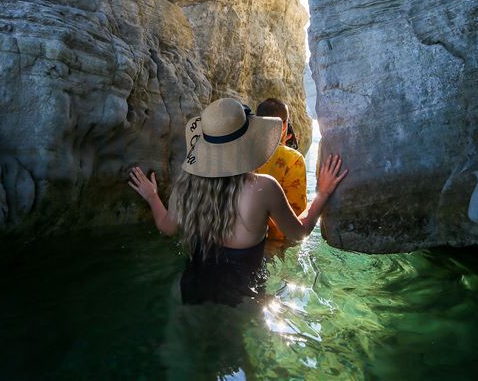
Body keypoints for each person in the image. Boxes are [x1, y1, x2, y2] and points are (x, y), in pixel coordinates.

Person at [128, 97, 347, 306]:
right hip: (241, 299)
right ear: (250, 142)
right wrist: (323, 193)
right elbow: (299, 232)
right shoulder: (263, 188)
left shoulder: (186, 185)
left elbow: (166, 227)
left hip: (187, 289)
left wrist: (152, 196)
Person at [253, 98, 306, 242]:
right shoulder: (293, 159)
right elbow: (297, 215)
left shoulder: (242, 151)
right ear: (283, 126)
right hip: (276, 247)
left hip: (241, 240)